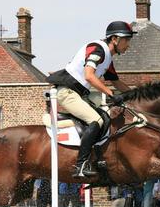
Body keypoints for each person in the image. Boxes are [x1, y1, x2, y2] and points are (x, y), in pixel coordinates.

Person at [47, 21, 134, 178]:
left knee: (106, 118)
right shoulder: (98, 49)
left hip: (77, 94)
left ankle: (96, 159)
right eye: (126, 40)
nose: (128, 45)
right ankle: (79, 166)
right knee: (96, 120)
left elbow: (117, 82)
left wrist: (140, 94)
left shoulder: (108, 59)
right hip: (67, 92)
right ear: (114, 39)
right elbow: (89, 75)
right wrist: (110, 94)